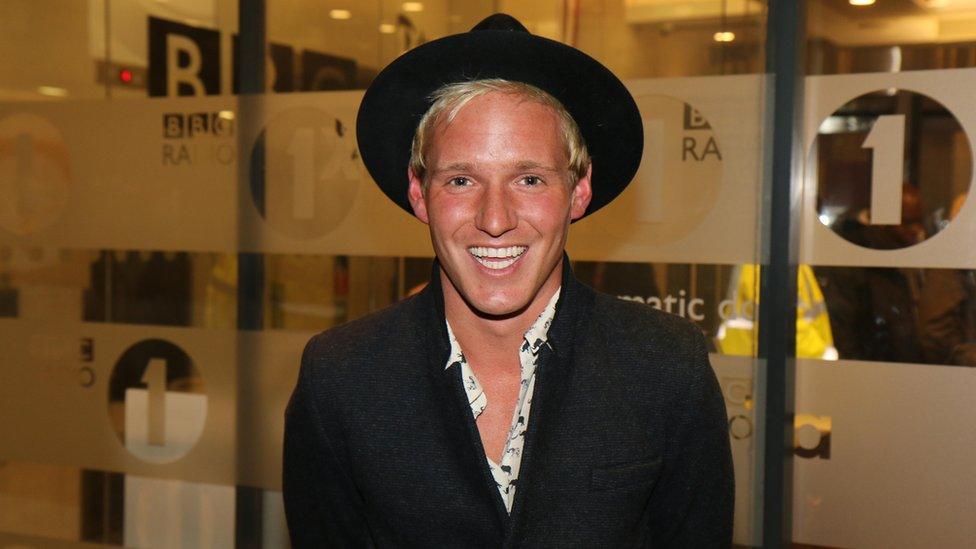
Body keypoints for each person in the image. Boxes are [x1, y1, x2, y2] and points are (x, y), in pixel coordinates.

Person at [283, 13, 733, 547]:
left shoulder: (664, 366)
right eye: (461, 179)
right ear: (421, 194)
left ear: (578, 191)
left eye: (529, 178)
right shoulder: (340, 377)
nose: (495, 219)